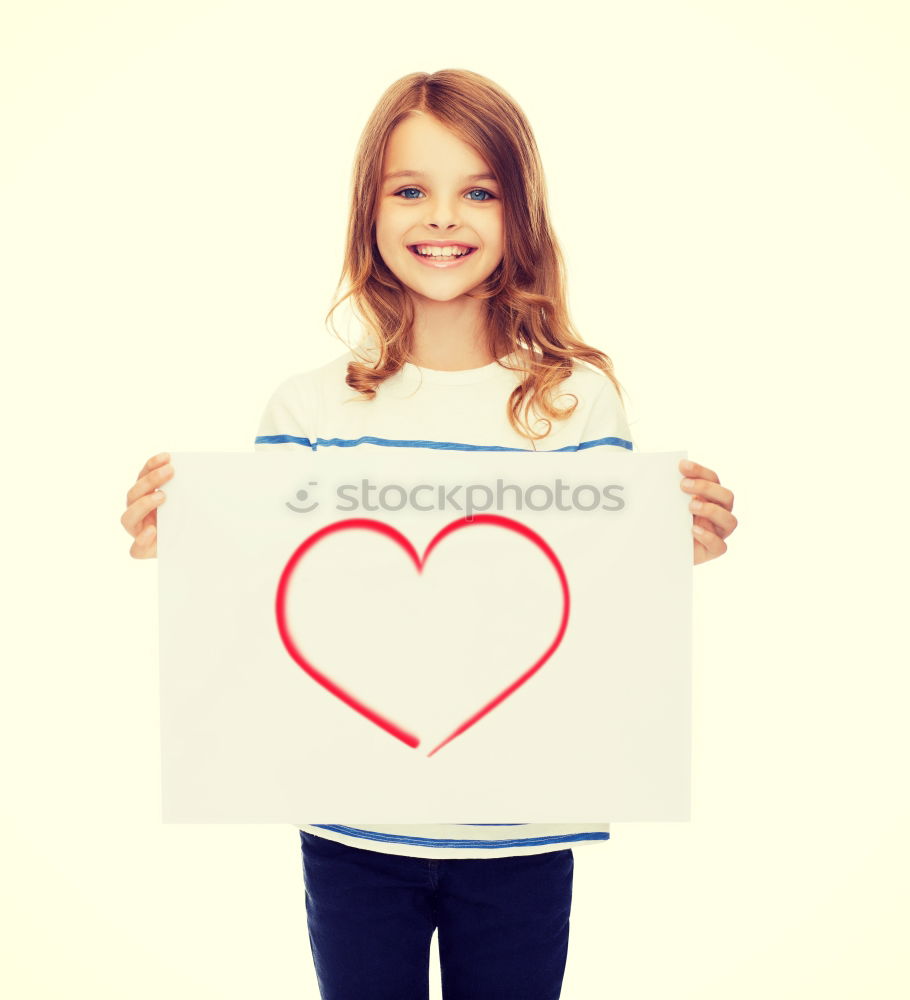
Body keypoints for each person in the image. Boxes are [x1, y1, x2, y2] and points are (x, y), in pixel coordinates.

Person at [121, 69, 737, 1000]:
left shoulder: (575, 403)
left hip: (523, 827)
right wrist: (189, 541)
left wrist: (670, 543)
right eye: (410, 189)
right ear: (369, 210)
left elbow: (594, 595)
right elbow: (283, 595)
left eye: (477, 191)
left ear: (517, 213)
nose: (442, 217)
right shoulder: (309, 406)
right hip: (352, 826)